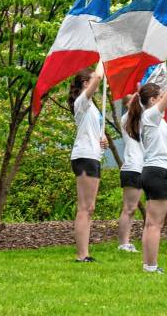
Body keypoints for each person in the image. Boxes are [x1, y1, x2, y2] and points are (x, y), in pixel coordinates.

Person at [139, 58, 167, 274]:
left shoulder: (150, 120)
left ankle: (147, 264)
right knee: (156, 224)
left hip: (153, 169)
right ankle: (152, 266)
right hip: (156, 173)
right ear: (154, 99)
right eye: (160, 95)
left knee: (150, 222)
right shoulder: (151, 114)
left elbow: (158, 145)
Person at [68, 61, 108, 262]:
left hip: (93, 156)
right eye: (92, 80)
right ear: (85, 83)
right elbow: (99, 77)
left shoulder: (91, 106)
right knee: (84, 207)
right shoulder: (82, 102)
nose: (97, 83)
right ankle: (81, 255)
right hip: (84, 156)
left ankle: (85, 253)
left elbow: (91, 128)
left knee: (89, 207)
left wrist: (101, 138)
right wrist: (103, 57)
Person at [118, 94, 144, 253]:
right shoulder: (126, 119)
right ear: (128, 104)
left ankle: (126, 242)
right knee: (129, 208)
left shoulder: (142, 120)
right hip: (132, 167)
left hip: (143, 167)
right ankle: (123, 243)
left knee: (132, 208)